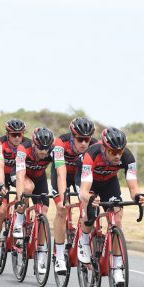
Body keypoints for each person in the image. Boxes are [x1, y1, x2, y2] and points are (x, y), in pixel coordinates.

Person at [76, 127, 144, 286]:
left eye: (120, 152)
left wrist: (138, 197)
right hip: (89, 182)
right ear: (104, 148)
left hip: (109, 183)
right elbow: (84, 191)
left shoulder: (128, 157)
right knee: (88, 207)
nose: (117, 155)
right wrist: (89, 198)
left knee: (117, 216)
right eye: (113, 152)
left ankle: (116, 267)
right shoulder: (91, 155)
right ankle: (84, 241)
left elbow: (133, 186)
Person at [51, 117, 97, 274]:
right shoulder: (60, 143)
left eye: (87, 139)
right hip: (62, 174)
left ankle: (85, 241)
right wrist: (64, 197)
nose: (84, 143)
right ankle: (58, 256)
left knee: (87, 202)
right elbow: (61, 174)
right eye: (80, 139)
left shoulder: (95, 146)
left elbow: (91, 177)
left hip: (80, 176)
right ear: (72, 136)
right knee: (62, 209)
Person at [14, 127, 57, 274]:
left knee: (43, 211)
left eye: (47, 148)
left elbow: (60, 171)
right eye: (40, 148)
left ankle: (41, 252)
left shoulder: (52, 152)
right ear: (33, 144)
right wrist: (20, 199)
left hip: (39, 177)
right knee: (28, 188)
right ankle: (19, 220)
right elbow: (20, 175)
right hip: (22, 175)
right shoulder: (22, 148)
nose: (44, 152)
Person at [0, 119, 30, 266]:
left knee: (27, 188)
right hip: (1, 176)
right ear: (7, 134)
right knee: (0, 211)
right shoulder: (0, 144)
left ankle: (19, 220)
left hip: (16, 175)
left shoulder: (27, 144)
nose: (17, 138)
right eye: (14, 135)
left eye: (20, 135)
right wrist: (1, 185)